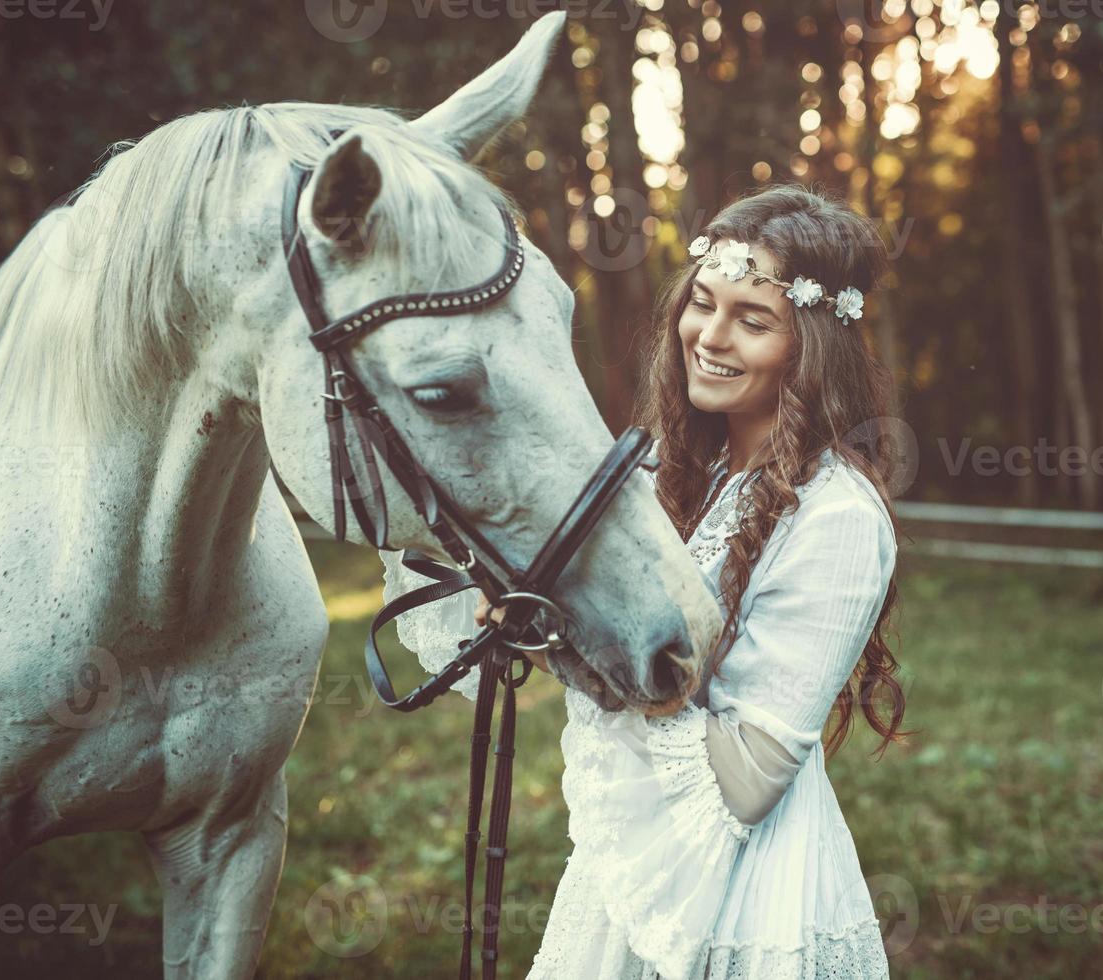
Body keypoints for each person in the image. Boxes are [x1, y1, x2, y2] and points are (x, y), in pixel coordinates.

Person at [385, 183, 912, 978]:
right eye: (702, 303)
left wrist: (583, 648)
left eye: (754, 319)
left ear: (811, 348)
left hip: (744, 901)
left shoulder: (838, 517)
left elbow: (749, 781)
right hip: (629, 871)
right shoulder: (667, 475)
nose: (712, 337)